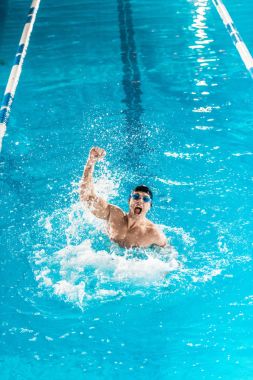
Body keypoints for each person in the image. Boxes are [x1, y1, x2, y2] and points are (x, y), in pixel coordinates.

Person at [79, 147, 167, 249]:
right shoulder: (113, 214)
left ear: (150, 206)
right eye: (136, 196)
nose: (140, 201)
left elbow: (169, 256)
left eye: (146, 199)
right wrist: (91, 162)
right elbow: (86, 197)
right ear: (129, 201)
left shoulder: (154, 234)